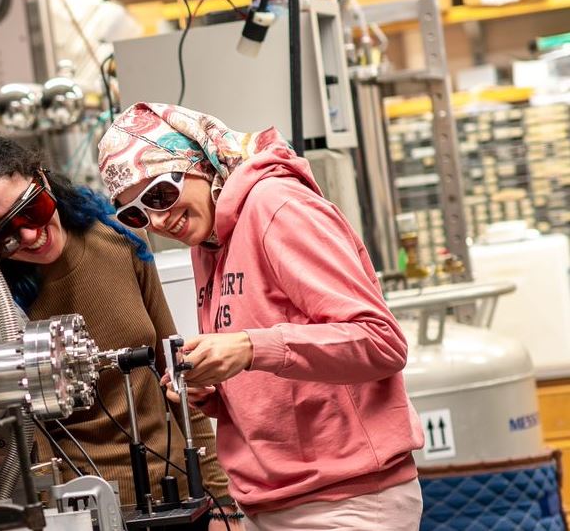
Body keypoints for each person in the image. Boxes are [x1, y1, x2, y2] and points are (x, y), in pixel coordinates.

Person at [97, 102, 424, 530]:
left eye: (160, 194)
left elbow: (380, 341)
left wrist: (251, 347)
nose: (157, 219)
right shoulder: (208, 240)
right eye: (135, 214)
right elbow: (269, 370)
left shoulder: (277, 207)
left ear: (197, 164)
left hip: (346, 500)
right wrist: (210, 389)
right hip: (269, 502)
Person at [0, 133, 239, 530]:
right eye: (3, 235)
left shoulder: (117, 238)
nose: (30, 235)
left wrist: (222, 502)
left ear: (43, 180)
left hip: (183, 497)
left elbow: (180, 379)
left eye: (32, 209)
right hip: (87, 515)